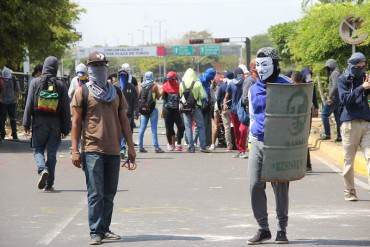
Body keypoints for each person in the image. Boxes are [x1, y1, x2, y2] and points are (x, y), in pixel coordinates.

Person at [70, 51, 136, 245]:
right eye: (95, 66)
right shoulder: (83, 92)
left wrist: (130, 147)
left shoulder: (116, 92)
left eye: (102, 65)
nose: (100, 69)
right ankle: (95, 232)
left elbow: (124, 120)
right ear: (89, 69)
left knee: (109, 193)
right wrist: (74, 150)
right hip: (92, 149)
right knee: (95, 193)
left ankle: (105, 229)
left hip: (114, 150)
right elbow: (75, 123)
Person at [247, 47, 291, 245]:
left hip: (279, 143)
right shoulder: (253, 89)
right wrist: (250, 141)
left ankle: (282, 229)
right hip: (258, 141)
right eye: (259, 65)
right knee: (254, 185)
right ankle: (263, 228)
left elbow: (298, 118)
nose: (261, 69)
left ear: (275, 65)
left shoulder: (288, 87)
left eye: (266, 64)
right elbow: (251, 116)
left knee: (280, 187)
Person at [23, 56, 71, 191]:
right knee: (51, 154)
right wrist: (66, 128)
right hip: (55, 124)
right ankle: (49, 184)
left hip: (39, 123)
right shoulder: (61, 84)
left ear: (44, 67)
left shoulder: (35, 82)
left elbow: (29, 104)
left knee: (38, 149)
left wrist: (26, 123)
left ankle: (42, 169)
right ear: (55, 68)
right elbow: (65, 108)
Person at [337, 52, 370, 201]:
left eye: (364, 66)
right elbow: (345, 100)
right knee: (349, 161)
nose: (362, 69)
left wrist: (368, 87)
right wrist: (362, 88)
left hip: (366, 123)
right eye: (359, 66)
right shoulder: (343, 79)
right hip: (349, 124)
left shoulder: (364, 78)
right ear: (352, 66)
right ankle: (349, 192)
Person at [180, 68, 209, 153]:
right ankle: (203, 146)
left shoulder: (182, 84)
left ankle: (191, 147)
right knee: (200, 126)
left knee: (188, 127)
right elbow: (204, 96)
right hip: (196, 107)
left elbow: (181, 95)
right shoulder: (198, 83)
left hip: (185, 108)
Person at [224, 67, 248, 159]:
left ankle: (241, 150)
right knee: (238, 130)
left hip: (240, 110)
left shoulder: (242, 83)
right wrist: (225, 104)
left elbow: (226, 97)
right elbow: (226, 96)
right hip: (238, 110)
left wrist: (224, 104)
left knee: (241, 130)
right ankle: (240, 150)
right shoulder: (243, 83)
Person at [137, 71, 164, 153]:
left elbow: (139, 97)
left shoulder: (141, 85)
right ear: (152, 76)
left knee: (142, 129)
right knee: (154, 129)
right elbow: (158, 97)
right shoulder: (154, 86)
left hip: (143, 110)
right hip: (152, 109)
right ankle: (156, 147)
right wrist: (162, 90)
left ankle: (140, 147)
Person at [117, 67, 138, 157]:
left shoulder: (131, 87)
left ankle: (124, 148)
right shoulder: (116, 87)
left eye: (124, 76)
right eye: (121, 75)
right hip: (117, 114)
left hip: (129, 114)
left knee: (128, 131)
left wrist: (136, 112)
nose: (122, 77)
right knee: (119, 132)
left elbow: (136, 100)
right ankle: (121, 148)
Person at [301, 68, 319, 172]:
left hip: (306, 114)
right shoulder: (298, 82)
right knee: (303, 138)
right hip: (302, 114)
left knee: (304, 138)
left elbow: (314, 98)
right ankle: (306, 165)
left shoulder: (310, 84)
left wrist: (316, 108)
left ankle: (307, 165)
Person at [162, 71, 184, 151]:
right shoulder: (164, 86)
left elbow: (182, 97)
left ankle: (178, 143)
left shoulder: (179, 86)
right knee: (169, 128)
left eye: (172, 79)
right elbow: (163, 98)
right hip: (167, 110)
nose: (170, 80)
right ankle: (170, 143)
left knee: (181, 127)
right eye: (169, 79)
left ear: (175, 78)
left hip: (177, 110)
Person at [321, 59, 342, 142]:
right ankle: (340, 136)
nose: (327, 68)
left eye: (328, 66)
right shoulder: (337, 72)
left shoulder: (335, 73)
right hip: (338, 98)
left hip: (333, 98)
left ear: (332, 65)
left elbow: (335, 86)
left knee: (324, 114)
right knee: (338, 118)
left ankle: (327, 134)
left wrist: (329, 96)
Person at [0, 66, 20, 140]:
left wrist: (16, 99)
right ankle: (2, 134)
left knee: (13, 119)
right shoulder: (1, 79)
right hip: (3, 102)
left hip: (12, 102)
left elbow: (17, 90)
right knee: (2, 119)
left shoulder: (14, 79)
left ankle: (14, 134)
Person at [198, 68, 216, 147]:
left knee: (207, 124)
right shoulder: (202, 80)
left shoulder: (207, 80)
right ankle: (203, 142)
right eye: (213, 75)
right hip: (202, 104)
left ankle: (207, 142)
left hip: (207, 104)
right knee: (203, 124)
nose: (213, 77)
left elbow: (211, 92)